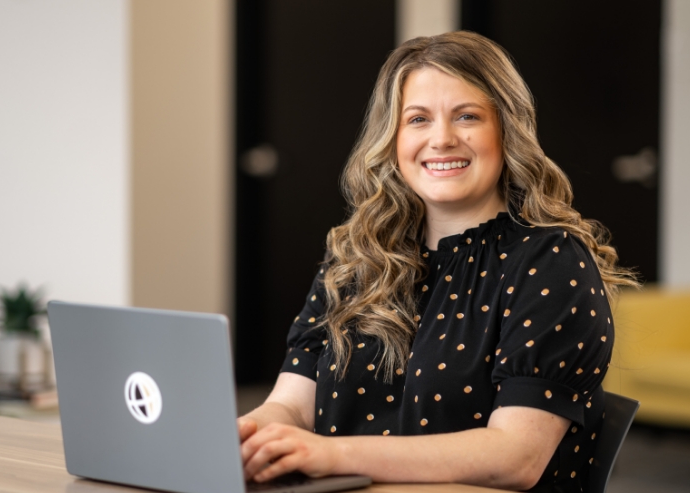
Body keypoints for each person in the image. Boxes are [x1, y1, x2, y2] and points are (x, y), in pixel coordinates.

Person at [237, 31, 637, 493]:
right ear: (394, 138)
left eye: (467, 117)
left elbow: (516, 457)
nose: (442, 139)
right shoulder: (356, 256)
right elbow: (291, 404)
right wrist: (249, 435)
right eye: (418, 119)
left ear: (506, 130)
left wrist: (330, 454)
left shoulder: (549, 262)